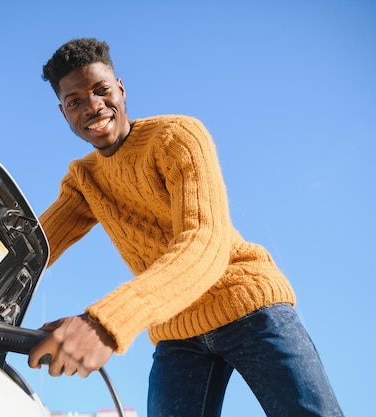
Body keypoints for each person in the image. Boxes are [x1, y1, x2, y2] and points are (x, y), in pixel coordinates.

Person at [27, 38, 344, 417]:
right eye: (75, 100)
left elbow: (203, 244)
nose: (93, 105)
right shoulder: (84, 180)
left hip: (249, 306)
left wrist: (105, 323)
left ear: (121, 89)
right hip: (177, 333)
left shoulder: (176, 137)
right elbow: (29, 248)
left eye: (101, 90)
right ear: (63, 112)